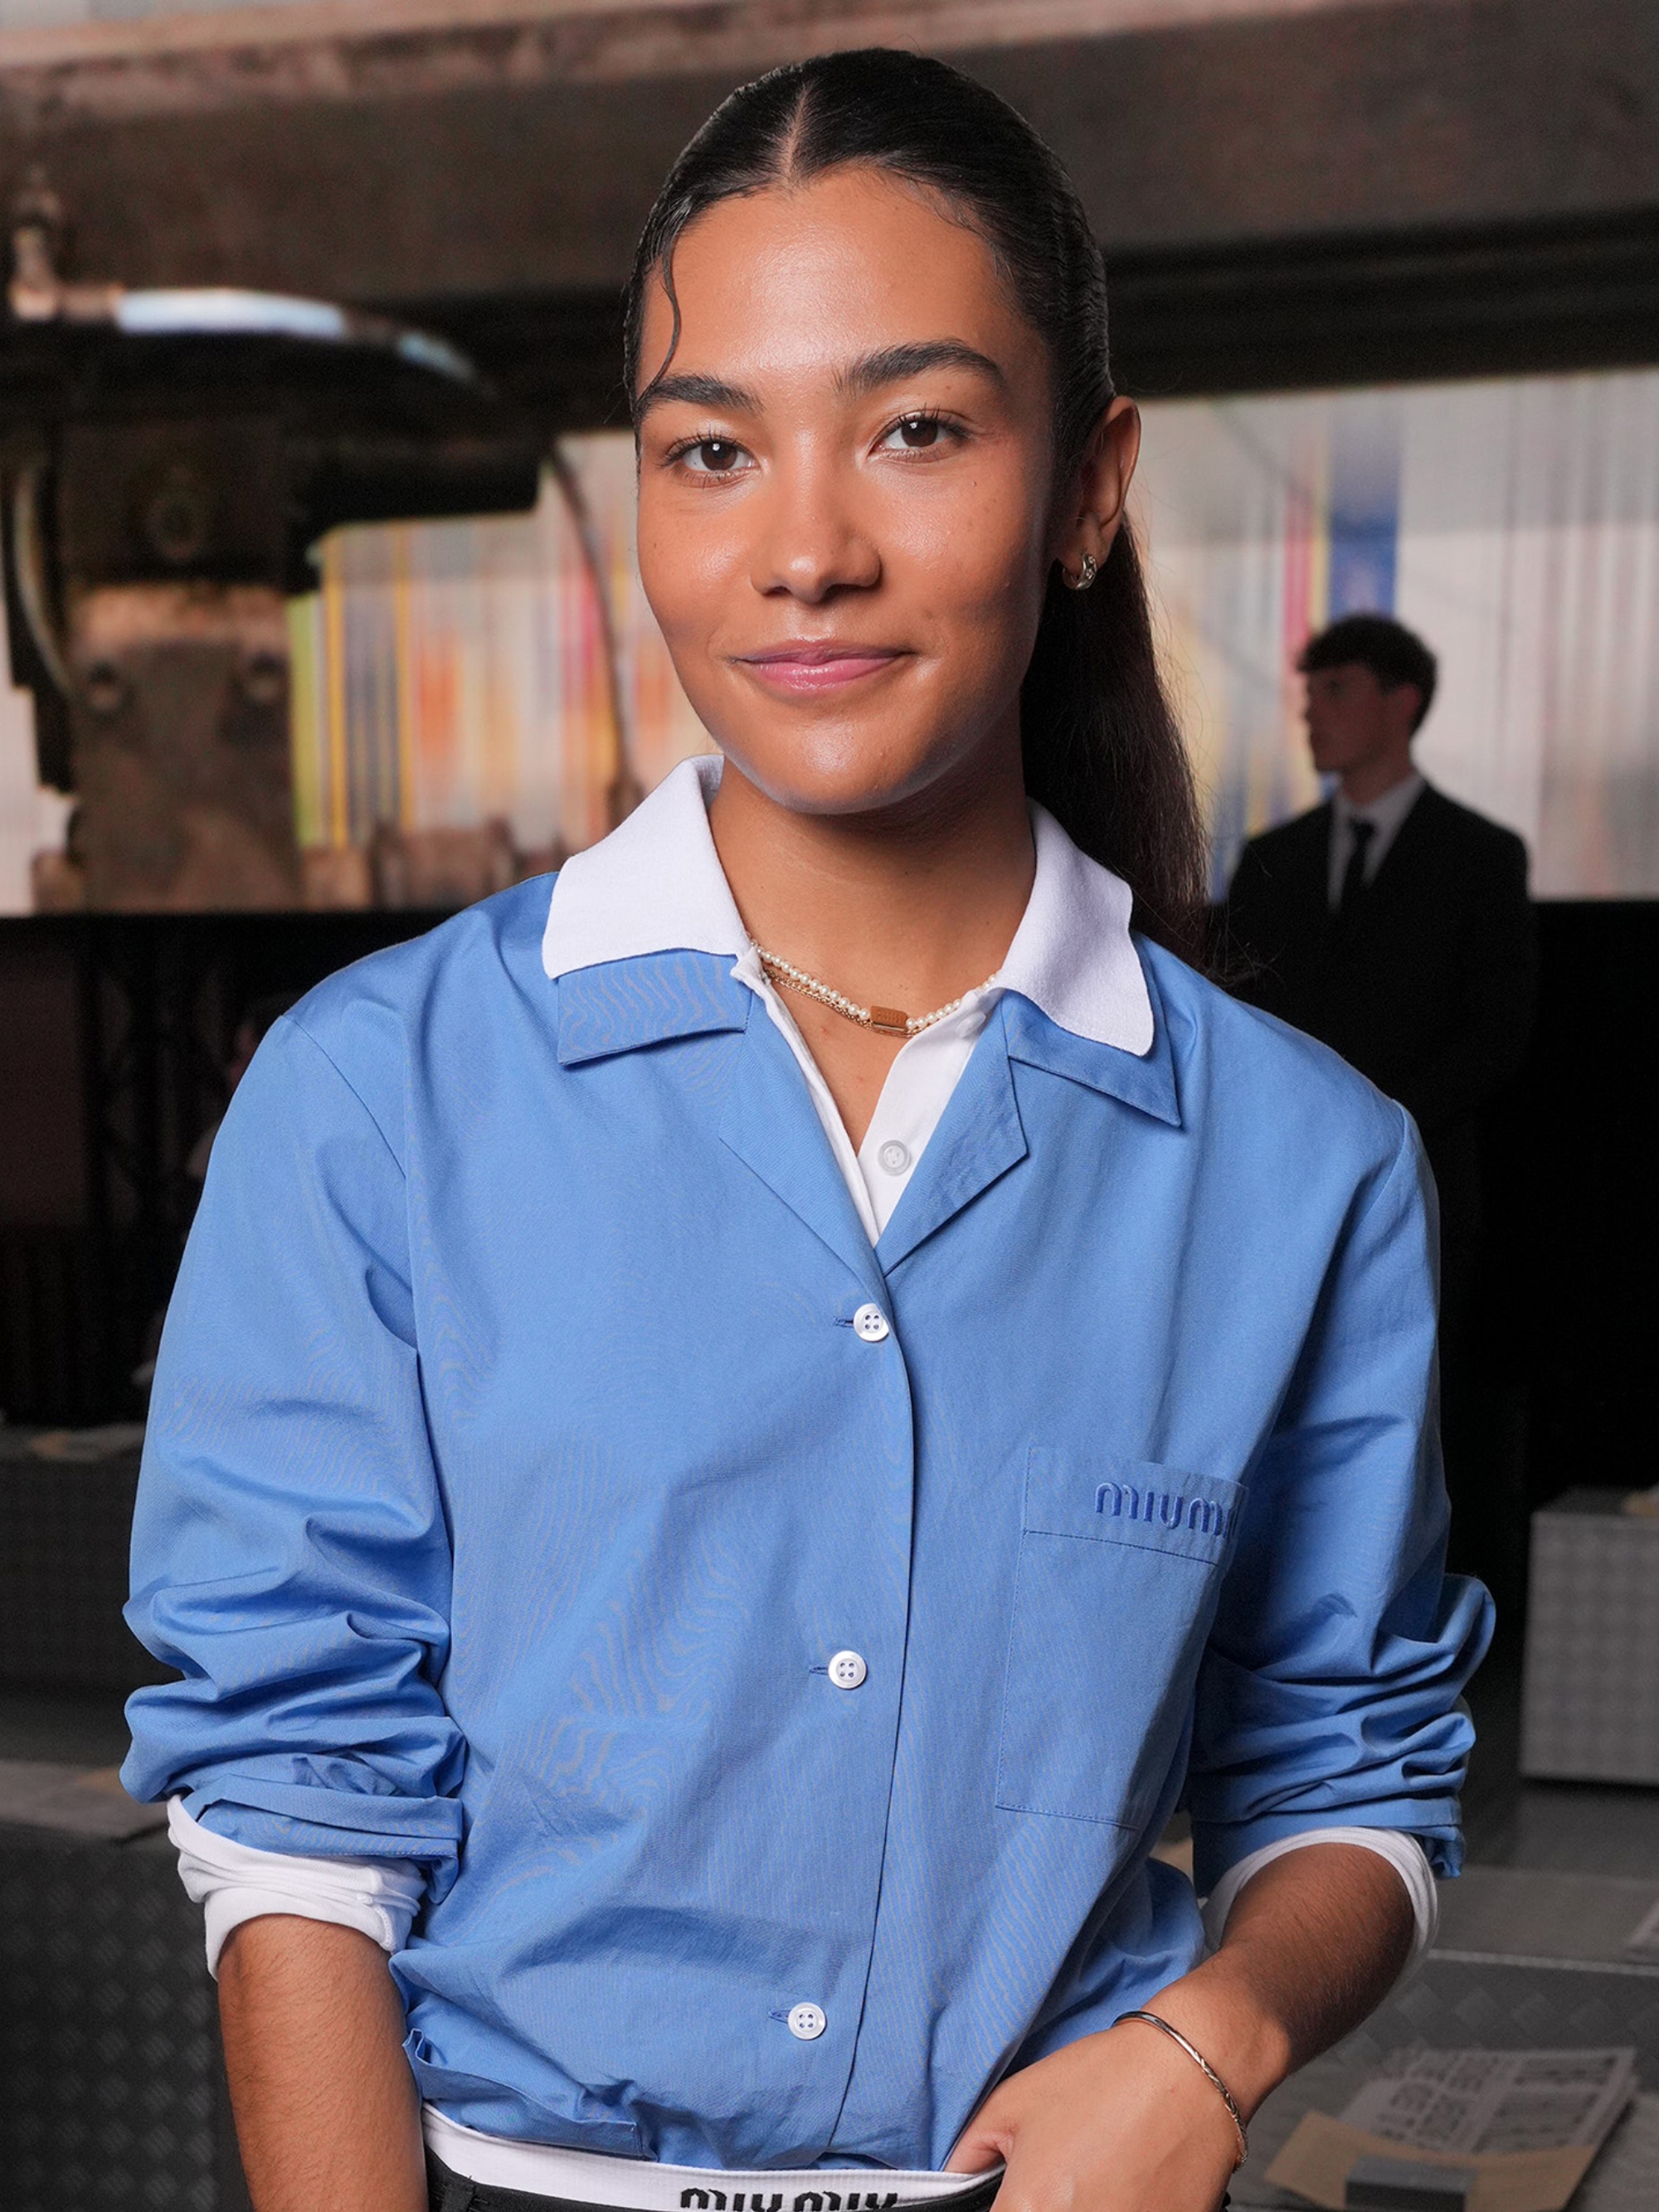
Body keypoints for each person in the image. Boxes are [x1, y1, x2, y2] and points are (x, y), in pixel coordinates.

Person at [123, 51, 1489, 2212]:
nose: (806, 552)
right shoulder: (376, 1091)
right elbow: (296, 1799)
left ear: (1089, 487)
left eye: (918, 428)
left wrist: (1207, 2043)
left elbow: (1349, 1767)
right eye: (713, 450)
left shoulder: (1306, 1168)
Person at [1222, 615, 1535, 1588]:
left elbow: (1495, 1034)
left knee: (1412, 1402)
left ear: (1401, 702)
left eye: (1336, 689)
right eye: (1307, 692)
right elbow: (1233, 1020)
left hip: (1422, 1178)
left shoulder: (1478, 855)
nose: (1310, 712)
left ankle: (1405, 1610)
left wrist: (1370, 1125)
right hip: (1277, 1188)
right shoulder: (1271, 855)